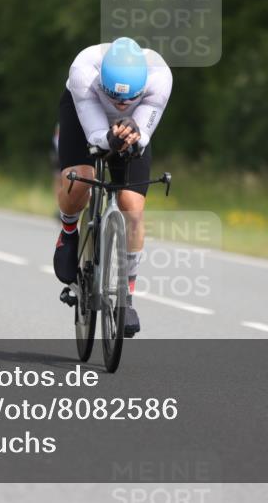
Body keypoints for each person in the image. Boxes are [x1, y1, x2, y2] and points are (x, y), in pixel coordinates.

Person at [53, 37, 172, 337]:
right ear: (102, 81)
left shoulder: (160, 77)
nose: (120, 104)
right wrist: (109, 139)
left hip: (133, 123)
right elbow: (94, 134)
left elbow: (142, 134)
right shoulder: (84, 71)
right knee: (79, 177)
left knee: (132, 206)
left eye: (128, 98)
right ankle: (68, 231)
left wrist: (134, 133)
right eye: (114, 97)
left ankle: (126, 295)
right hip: (85, 116)